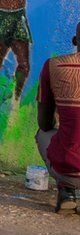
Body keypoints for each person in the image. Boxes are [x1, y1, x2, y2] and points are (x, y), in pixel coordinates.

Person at [37, 22, 80, 213]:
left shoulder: (54, 66)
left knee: (43, 134)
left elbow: (45, 123)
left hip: (70, 170)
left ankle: (66, 192)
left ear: (75, 40)